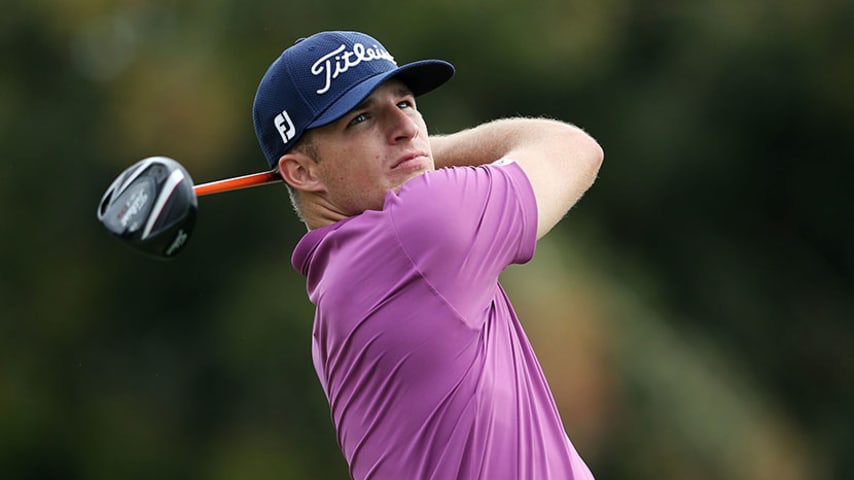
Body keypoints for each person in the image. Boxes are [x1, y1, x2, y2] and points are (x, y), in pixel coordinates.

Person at [252, 31, 603, 479]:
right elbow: (573, 149)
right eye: (360, 119)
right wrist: (427, 152)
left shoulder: (332, 296)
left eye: (404, 103)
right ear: (301, 171)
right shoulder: (417, 228)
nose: (404, 129)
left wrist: (407, 155)